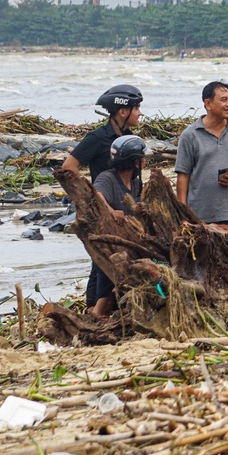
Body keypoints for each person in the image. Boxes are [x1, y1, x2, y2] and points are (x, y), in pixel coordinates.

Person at [62, 84, 143, 308]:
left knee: (112, 260)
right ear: (122, 111)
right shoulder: (97, 138)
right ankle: (94, 307)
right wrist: (92, 200)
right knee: (101, 260)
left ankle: (105, 306)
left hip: (125, 212)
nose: (139, 113)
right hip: (104, 210)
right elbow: (69, 167)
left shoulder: (129, 138)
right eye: (136, 108)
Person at [175, 81, 228, 232]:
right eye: (223, 100)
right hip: (199, 217)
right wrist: (183, 215)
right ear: (208, 104)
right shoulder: (191, 135)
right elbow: (182, 176)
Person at [90, 135, 151, 318]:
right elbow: (97, 195)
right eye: (142, 158)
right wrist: (112, 212)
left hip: (128, 245)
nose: (145, 161)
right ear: (134, 162)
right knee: (106, 296)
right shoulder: (108, 178)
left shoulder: (135, 182)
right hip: (109, 247)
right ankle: (97, 320)